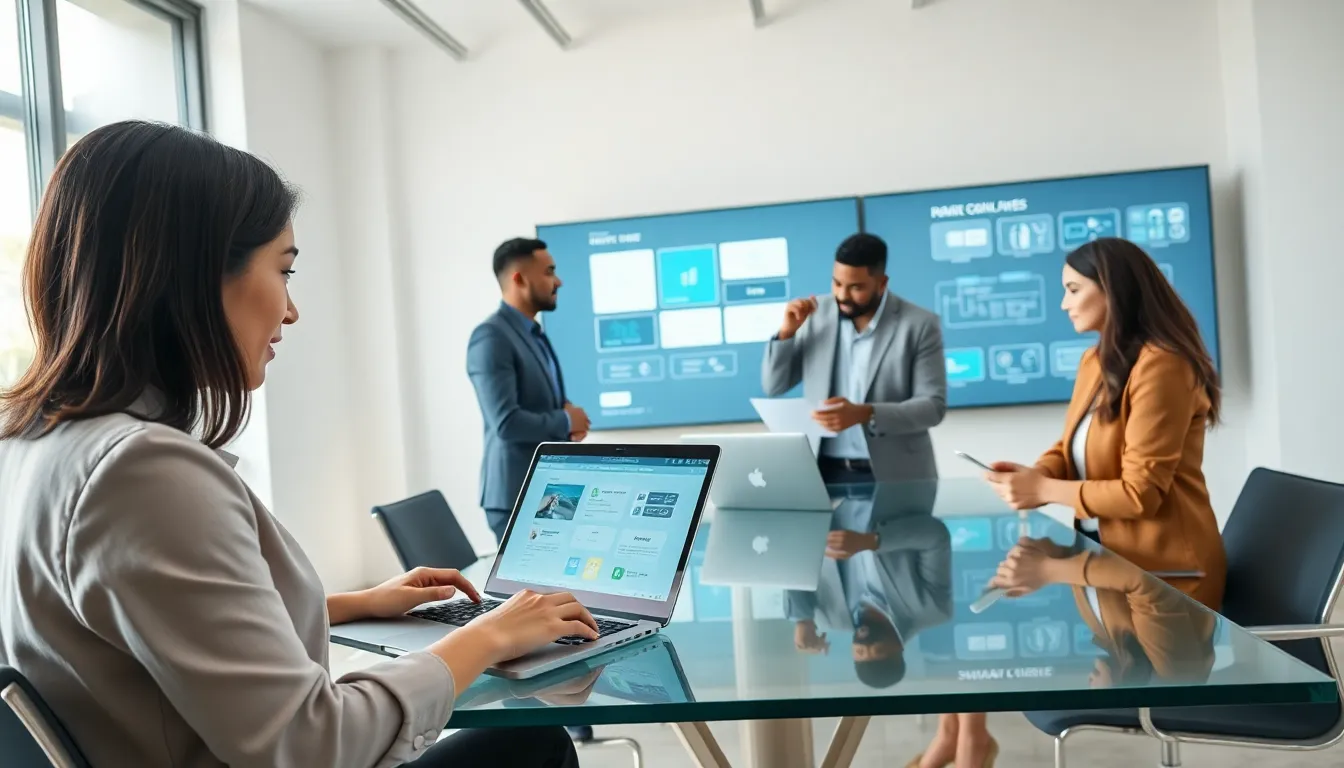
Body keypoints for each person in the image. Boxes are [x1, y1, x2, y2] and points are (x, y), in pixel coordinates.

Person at [0, 121, 592, 768]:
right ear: (193, 277)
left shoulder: (30, 439)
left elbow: (146, 628)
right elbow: (311, 745)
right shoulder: (141, 473)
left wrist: (350, 604)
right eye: (283, 271)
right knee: (533, 744)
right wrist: (485, 638)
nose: (291, 310)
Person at [910, 236, 1227, 768]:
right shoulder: (1096, 359)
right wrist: (1039, 473)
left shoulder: (1163, 366)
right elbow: (1071, 449)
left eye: (1073, 289)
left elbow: (1139, 494)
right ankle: (963, 742)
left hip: (1164, 575)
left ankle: (967, 746)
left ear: (1115, 292)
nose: (1063, 303)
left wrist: (1049, 539)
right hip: (1112, 568)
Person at [761, 233, 947, 485]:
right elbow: (774, 386)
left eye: (856, 287)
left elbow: (932, 408)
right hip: (823, 474)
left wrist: (865, 413)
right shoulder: (815, 314)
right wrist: (787, 333)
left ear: (882, 283)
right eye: (836, 283)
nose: (842, 295)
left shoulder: (920, 324)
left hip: (897, 474)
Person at [467, 238, 590, 544]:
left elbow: (537, 401)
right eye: (549, 272)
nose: (558, 281)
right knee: (528, 593)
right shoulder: (491, 337)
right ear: (518, 279)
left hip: (547, 490)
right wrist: (564, 421)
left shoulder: (533, 334)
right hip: (516, 496)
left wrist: (566, 419)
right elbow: (507, 423)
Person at [786, 481, 952, 690]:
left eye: (861, 653)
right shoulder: (931, 609)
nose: (866, 644)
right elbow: (936, 537)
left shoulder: (827, 618)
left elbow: (795, 559)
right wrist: (872, 542)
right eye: (878, 650)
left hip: (819, 487)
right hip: (890, 478)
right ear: (899, 648)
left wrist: (802, 619)